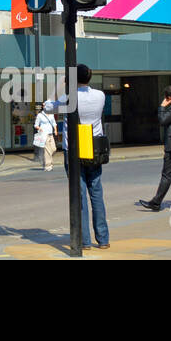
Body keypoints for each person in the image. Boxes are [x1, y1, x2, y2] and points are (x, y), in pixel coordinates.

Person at [54, 64, 110, 249]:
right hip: (94, 148)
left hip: (75, 150)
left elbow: (48, 107)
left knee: (80, 196)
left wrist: (62, 87)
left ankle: (84, 241)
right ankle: (103, 239)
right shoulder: (100, 95)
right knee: (97, 193)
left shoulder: (69, 97)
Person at [33, 101, 57, 172]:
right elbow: (36, 125)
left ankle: (45, 162)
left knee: (53, 149)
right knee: (47, 151)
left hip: (51, 134)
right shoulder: (40, 115)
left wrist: (55, 130)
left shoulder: (51, 114)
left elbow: (54, 123)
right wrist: (40, 128)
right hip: (44, 135)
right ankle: (48, 166)